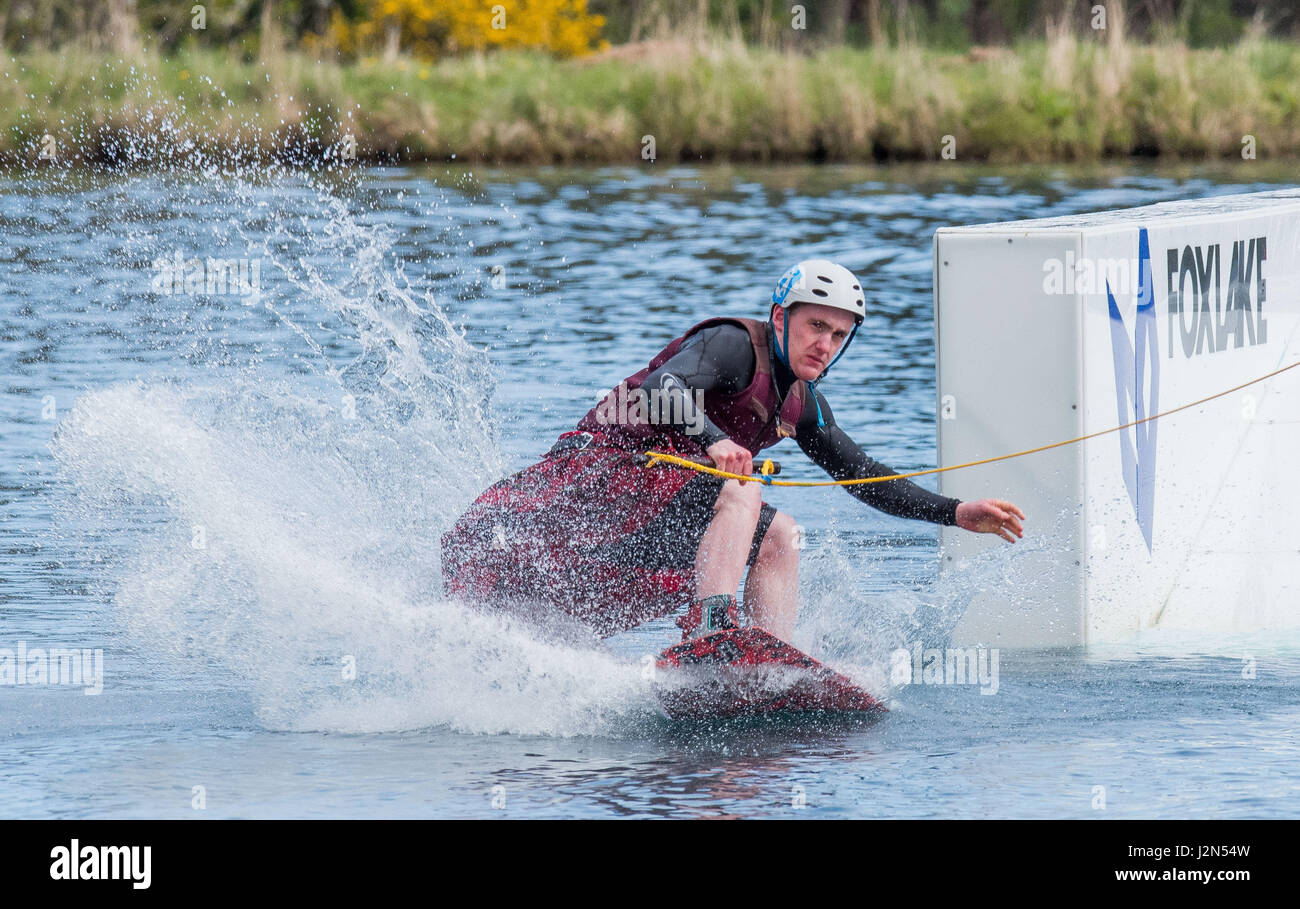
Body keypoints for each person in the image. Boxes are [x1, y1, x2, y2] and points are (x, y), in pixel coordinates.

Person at [441, 259, 1026, 644]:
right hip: (601, 478)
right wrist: (716, 440)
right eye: (815, 326)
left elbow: (864, 476)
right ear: (780, 318)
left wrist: (955, 513)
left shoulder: (804, 407)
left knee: (782, 536)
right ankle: (714, 632)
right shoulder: (731, 345)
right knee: (742, 487)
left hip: (662, 504)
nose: (824, 344)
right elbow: (659, 389)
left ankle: (768, 658)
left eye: (839, 335)